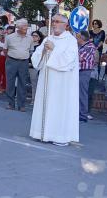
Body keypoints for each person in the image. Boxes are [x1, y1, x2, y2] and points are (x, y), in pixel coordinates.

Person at [29, 14, 79, 146]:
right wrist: (44, 51)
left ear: (65, 25)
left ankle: (59, 136)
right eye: (53, 21)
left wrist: (53, 49)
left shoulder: (70, 40)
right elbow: (36, 58)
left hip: (61, 82)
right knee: (46, 104)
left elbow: (68, 61)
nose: (55, 24)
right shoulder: (48, 38)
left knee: (58, 107)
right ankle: (41, 133)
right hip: (46, 78)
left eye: (58, 22)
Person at [5, 19, 33, 111]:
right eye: (24, 26)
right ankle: (11, 103)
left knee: (23, 83)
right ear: (18, 27)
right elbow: (5, 50)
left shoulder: (30, 38)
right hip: (11, 61)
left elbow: (30, 50)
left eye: (26, 26)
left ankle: (21, 105)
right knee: (10, 83)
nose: (26, 28)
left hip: (24, 62)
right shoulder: (9, 37)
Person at [77, 30, 97, 122]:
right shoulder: (82, 46)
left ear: (82, 38)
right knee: (79, 93)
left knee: (82, 93)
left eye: (77, 37)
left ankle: (82, 115)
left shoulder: (89, 46)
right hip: (79, 71)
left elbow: (80, 58)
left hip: (84, 71)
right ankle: (79, 113)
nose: (76, 39)